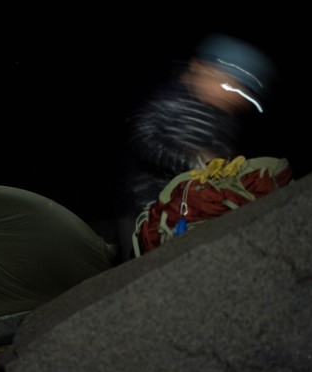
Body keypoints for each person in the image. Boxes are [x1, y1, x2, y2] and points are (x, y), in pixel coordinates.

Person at [116, 33, 277, 260]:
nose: (233, 96)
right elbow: (142, 139)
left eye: (241, 91)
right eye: (226, 84)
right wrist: (193, 161)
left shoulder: (226, 119)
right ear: (198, 69)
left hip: (192, 209)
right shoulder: (170, 99)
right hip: (145, 206)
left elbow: (222, 159)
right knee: (140, 268)